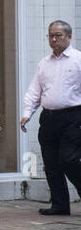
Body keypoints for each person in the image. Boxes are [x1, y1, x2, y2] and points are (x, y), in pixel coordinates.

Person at [21, 20, 81, 216]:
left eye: (58, 35)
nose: (54, 39)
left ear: (69, 37)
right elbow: (34, 91)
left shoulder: (77, 60)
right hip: (48, 118)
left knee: (68, 159)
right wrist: (26, 113)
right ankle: (60, 205)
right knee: (51, 162)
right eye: (51, 35)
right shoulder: (44, 63)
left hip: (73, 116)